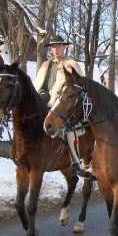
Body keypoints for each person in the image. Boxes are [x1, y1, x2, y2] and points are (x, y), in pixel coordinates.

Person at [33, 35, 87, 177]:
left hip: (62, 106)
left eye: (59, 46)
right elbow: (37, 85)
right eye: (53, 46)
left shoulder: (71, 64)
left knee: (70, 129)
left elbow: (80, 85)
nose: (56, 49)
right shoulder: (45, 65)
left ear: (64, 47)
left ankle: (75, 162)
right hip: (43, 103)